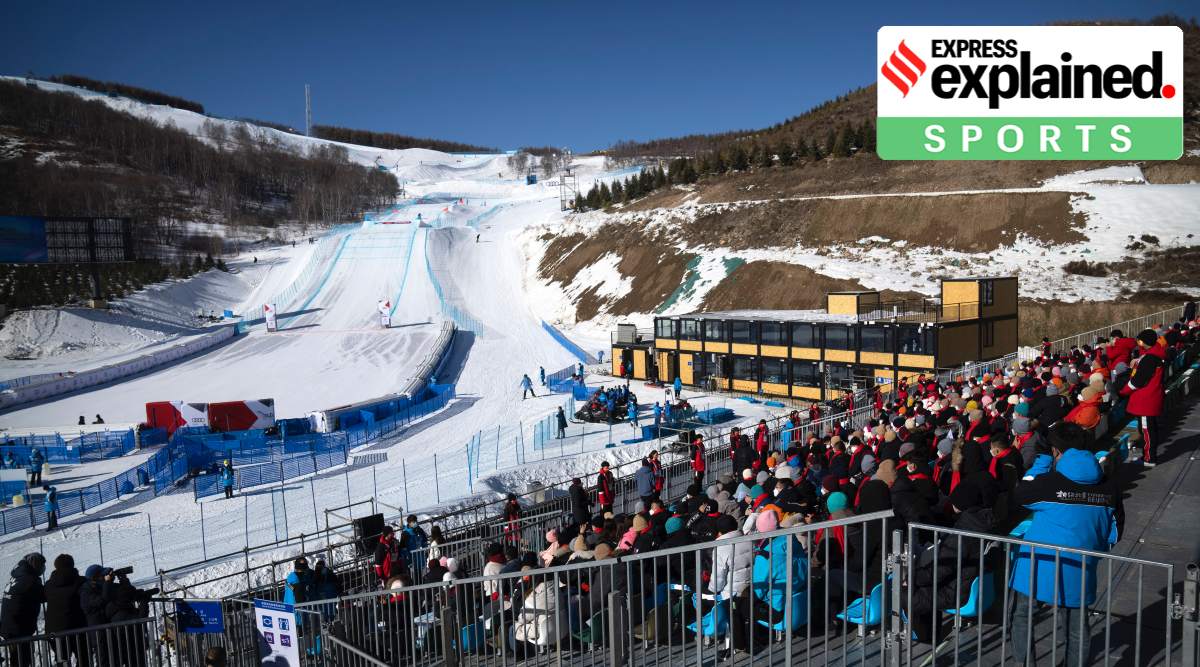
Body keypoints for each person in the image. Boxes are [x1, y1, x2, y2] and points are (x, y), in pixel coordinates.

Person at [1008, 428, 1118, 667]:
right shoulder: (1108, 488)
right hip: (1081, 566)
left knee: (1022, 617)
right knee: (1077, 628)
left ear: (1056, 452)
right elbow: (1115, 533)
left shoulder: (1048, 482)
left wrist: (1041, 464)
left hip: (1037, 567)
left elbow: (1020, 494)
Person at [1121, 329, 1166, 466]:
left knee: (1147, 430)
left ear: (1144, 342)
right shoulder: (1153, 355)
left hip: (1146, 400)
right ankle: (1147, 454)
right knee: (1147, 428)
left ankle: (1149, 458)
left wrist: (1124, 391)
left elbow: (1138, 380)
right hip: (1149, 398)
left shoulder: (1150, 359)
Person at [0, 553, 46, 667]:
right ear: (36, 565)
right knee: (21, 660)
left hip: (10, 626)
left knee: (19, 658)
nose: (44, 568)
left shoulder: (18, 576)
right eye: (42, 565)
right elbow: (44, 595)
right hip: (18, 628)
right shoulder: (29, 579)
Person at [44, 553, 86, 664]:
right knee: (84, 658)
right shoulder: (80, 581)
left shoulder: (49, 584)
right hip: (77, 629)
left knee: (62, 660)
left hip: (54, 632)